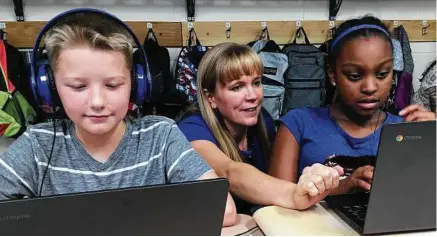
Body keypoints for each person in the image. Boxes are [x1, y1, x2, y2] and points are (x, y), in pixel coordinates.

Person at [0, 9, 237, 227]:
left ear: (136, 85)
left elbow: (223, 211)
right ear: (50, 89)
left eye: (113, 85)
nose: (97, 102)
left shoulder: (161, 136)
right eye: (78, 86)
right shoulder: (37, 145)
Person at [269, 16, 436, 195]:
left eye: (382, 74)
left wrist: (430, 141)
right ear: (332, 74)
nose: (370, 88)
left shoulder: (406, 129)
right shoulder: (298, 125)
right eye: (355, 76)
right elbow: (275, 206)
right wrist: (343, 187)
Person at [178, 42, 343, 214]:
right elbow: (228, 172)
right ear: (210, 97)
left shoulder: (263, 120)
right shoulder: (192, 128)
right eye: (237, 87)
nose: (253, 96)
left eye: (256, 83)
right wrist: (293, 194)